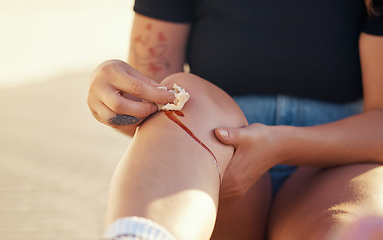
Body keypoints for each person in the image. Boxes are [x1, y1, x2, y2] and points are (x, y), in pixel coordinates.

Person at [87, 0, 383, 239]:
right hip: (216, 148)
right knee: (187, 91)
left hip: (336, 157)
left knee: (340, 226)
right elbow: (152, 107)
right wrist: (115, 94)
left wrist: (281, 144)